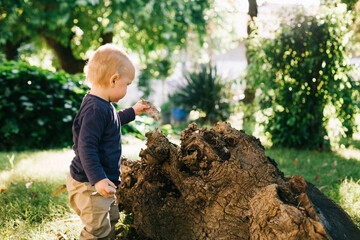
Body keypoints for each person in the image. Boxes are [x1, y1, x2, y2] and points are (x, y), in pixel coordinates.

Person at [66, 44, 149, 239]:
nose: (127, 89)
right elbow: (86, 148)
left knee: (110, 220)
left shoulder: (104, 104)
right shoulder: (95, 109)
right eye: (127, 85)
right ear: (114, 80)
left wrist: (133, 112)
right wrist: (98, 179)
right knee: (98, 230)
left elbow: (112, 122)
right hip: (89, 184)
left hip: (101, 182)